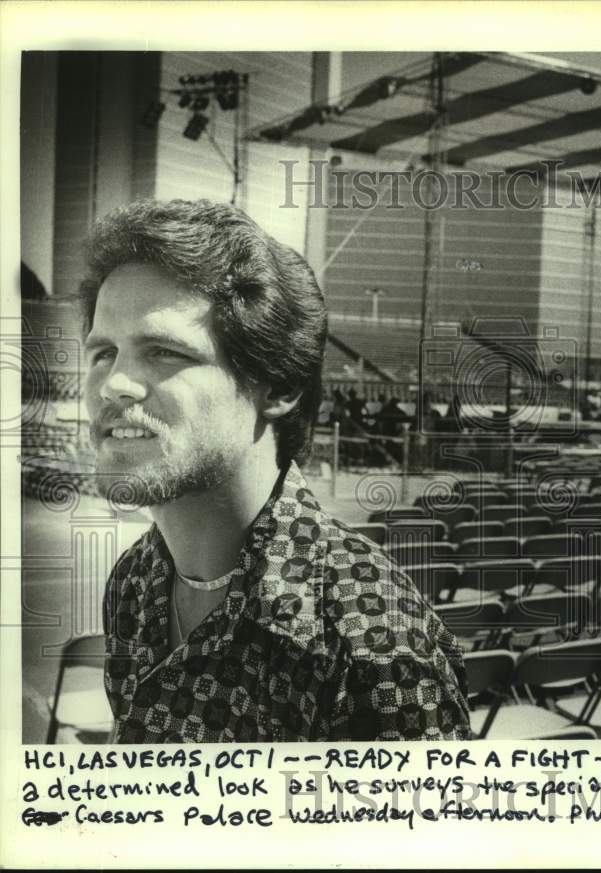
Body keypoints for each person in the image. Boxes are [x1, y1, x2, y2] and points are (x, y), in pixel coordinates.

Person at [81, 199, 470, 743]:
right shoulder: (134, 581)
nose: (113, 384)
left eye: (165, 352)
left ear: (279, 386)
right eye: (102, 352)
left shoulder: (373, 642)